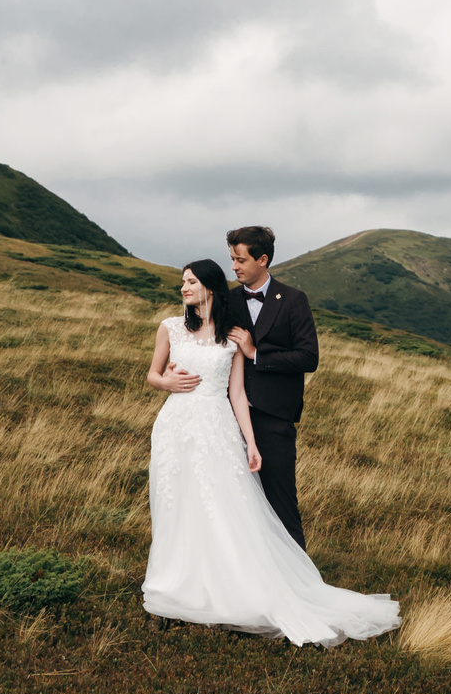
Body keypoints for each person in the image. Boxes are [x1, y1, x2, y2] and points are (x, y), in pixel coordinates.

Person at [139, 256, 397, 645]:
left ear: (209, 286)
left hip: (216, 427)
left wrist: (252, 442)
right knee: (176, 502)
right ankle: (176, 586)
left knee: (219, 507)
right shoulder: (171, 327)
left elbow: (238, 394)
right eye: (182, 282)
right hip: (174, 427)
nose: (183, 288)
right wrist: (167, 384)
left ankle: (224, 588)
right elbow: (152, 374)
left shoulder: (232, 337)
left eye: (190, 281)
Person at [221, 224, 318, 547]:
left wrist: (255, 353)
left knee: (281, 504)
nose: (234, 266)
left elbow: (308, 358)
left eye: (240, 260)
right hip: (228, 418)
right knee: (233, 503)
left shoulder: (293, 300)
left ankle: (301, 585)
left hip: (275, 419)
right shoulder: (228, 301)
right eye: (232, 259)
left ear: (262, 260)